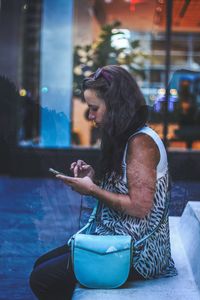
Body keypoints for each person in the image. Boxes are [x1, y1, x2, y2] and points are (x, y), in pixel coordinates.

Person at [29, 65, 177, 300]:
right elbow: (127, 186)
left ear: (116, 106)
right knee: (42, 265)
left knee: (43, 278)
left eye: (94, 108)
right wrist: (93, 176)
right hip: (117, 241)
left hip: (139, 254)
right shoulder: (125, 136)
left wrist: (93, 190)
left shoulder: (141, 143)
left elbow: (139, 207)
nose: (90, 116)